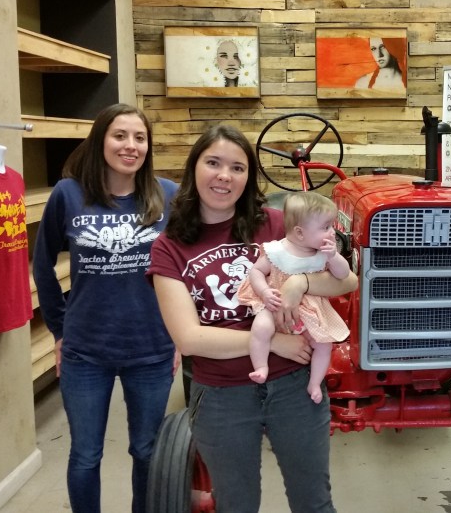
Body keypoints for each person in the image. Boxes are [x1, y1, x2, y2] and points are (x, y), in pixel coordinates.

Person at [148, 124, 358, 513]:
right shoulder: (169, 247)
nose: (224, 176)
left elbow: (347, 282)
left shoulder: (276, 224)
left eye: (237, 167)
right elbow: (189, 339)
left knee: (314, 502)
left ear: (248, 177)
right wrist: (275, 342)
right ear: (194, 168)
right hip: (221, 395)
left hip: (294, 387)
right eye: (213, 163)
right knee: (236, 504)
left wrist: (300, 283)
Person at [32, 103, 179, 513]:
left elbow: (184, 269)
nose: (130, 146)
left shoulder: (167, 195)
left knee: (147, 451)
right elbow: (43, 265)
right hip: (85, 350)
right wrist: (60, 330)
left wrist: (180, 333)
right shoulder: (69, 194)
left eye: (139, 138)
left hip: (151, 348)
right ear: (101, 140)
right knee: (85, 455)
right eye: (120, 135)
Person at [237, 191, 351, 403]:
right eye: (326, 227)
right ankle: (261, 367)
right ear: (300, 233)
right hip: (275, 305)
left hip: (309, 313)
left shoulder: (323, 254)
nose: (332, 232)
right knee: (261, 328)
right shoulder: (276, 251)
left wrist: (334, 256)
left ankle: (315, 383)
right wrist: (264, 292)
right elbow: (256, 271)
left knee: (324, 344)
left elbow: (344, 275)